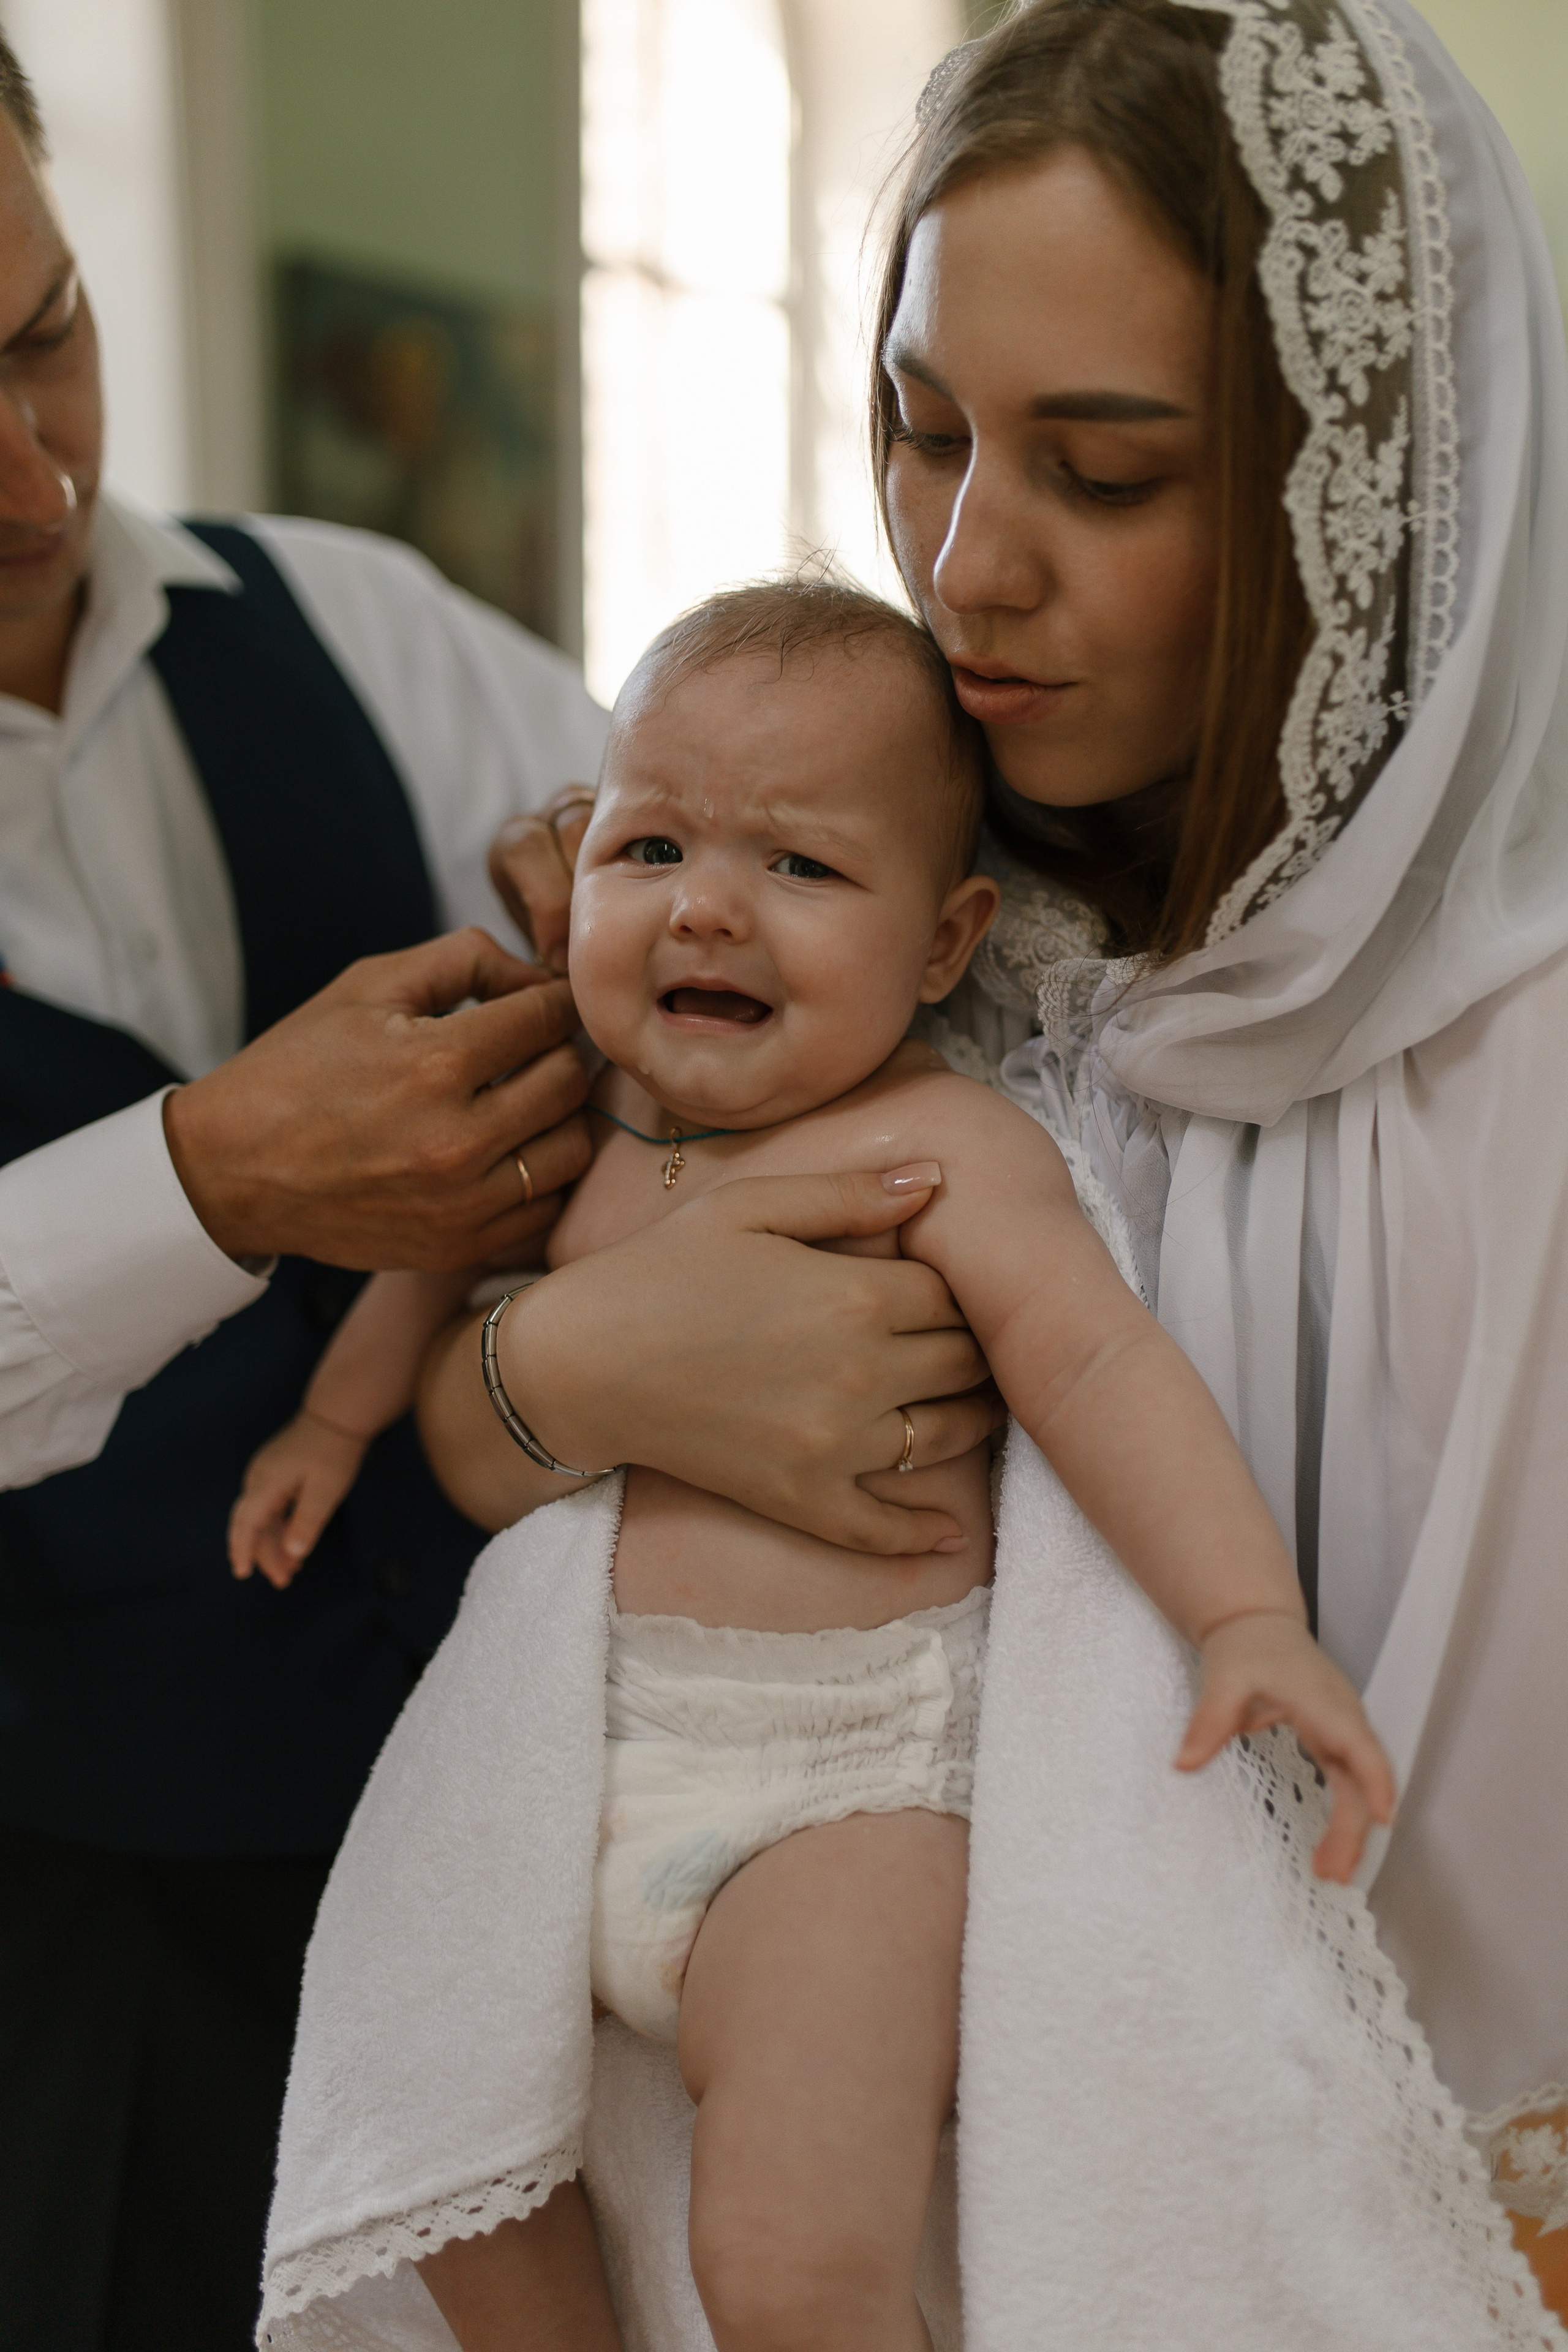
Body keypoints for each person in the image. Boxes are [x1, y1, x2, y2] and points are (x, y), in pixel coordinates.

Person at [355, 0, 1567, 2330]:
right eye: (921, 434)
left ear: (1359, 492)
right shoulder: (882, 954)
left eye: (1103, 477)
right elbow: (501, 1451)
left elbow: (1498, 1965)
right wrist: (559, 1367)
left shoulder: (1505, 1081)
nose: (967, 564)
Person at [240, 576, 1393, 2351]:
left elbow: (1094, 1361)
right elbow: (425, 1247)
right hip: (562, 1771)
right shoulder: (568, 1103)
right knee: (447, 2172)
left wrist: (1244, 1613)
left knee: (791, 2268)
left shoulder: (941, 1145)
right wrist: (331, 1419)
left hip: (840, 1787)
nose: (708, 905)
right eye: (651, 850)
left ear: (943, 945)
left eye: (799, 867)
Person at [0, 36, 613, 2352]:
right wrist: (210, 1172)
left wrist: (658, 904)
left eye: (45, 334)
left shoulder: (358, 624)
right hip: (68, 1936)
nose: (32, 471)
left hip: (492, 1824)